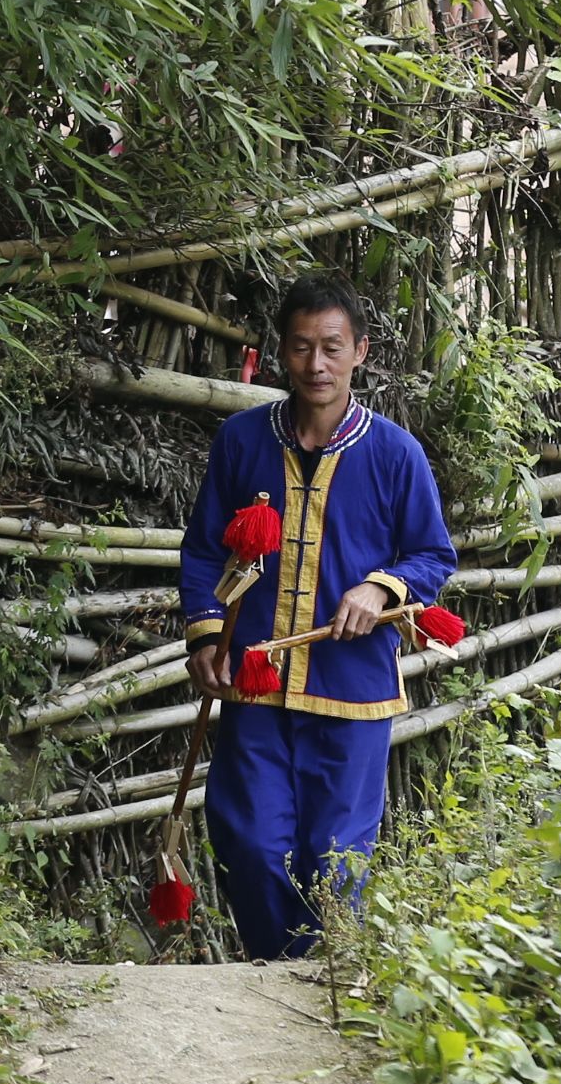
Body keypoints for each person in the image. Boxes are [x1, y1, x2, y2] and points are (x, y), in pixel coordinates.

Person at [174, 275, 457, 959]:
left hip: (352, 691)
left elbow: (432, 554)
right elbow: (205, 548)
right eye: (302, 347)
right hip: (256, 682)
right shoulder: (242, 441)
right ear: (282, 351)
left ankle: (315, 982)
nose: (317, 364)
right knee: (250, 842)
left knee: (335, 857)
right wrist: (207, 634)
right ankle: (280, 972)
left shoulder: (396, 453)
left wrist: (380, 590)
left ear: (360, 351)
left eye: (332, 347)